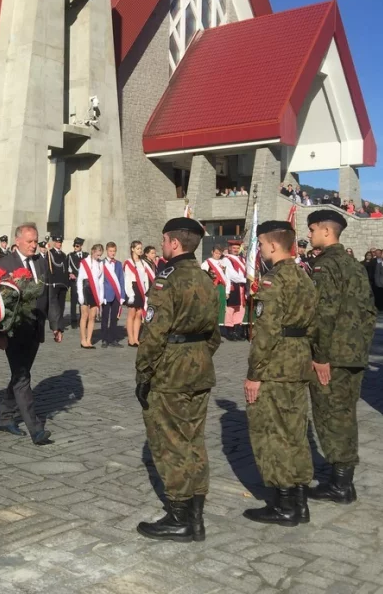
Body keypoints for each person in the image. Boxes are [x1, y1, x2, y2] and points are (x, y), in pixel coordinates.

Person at [135, 217, 220, 542]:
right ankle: (195, 516)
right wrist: (198, 356)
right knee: (194, 439)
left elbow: (154, 333)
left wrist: (144, 374)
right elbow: (215, 333)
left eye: (164, 239)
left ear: (173, 243)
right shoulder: (205, 278)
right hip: (200, 367)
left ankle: (179, 516)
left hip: (170, 371)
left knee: (170, 442)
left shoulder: (165, 280)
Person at [242, 220, 316, 526]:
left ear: (272, 245)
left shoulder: (273, 281)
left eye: (260, 244)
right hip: (299, 361)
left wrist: (253, 374)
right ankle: (299, 500)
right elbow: (314, 324)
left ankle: (284, 503)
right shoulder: (305, 277)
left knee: (273, 433)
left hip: (276, 365)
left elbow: (266, 332)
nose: (259, 249)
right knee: (296, 430)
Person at [306, 210, 377, 505]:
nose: (309, 236)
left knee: (331, 416)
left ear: (325, 231)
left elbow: (324, 314)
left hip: (332, 355)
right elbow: (370, 311)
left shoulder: (326, 265)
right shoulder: (353, 264)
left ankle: (340, 484)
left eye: (312, 230)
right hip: (353, 353)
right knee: (345, 414)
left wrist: (320, 356)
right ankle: (343, 479)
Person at [0, 223, 60, 446]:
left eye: (36, 241)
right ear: (17, 241)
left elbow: (49, 294)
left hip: (35, 328)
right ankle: (36, 429)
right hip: (13, 330)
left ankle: (4, 417)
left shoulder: (41, 261)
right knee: (22, 378)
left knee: (20, 373)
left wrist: (55, 324)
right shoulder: (4, 264)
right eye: (30, 241)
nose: (34, 245)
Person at [124, 240, 152, 347]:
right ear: (132, 249)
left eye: (141, 248)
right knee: (131, 313)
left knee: (139, 314)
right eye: (138, 248)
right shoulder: (128, 262)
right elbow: (127, 279)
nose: (140, 250)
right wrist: (130, 294)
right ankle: (130, 338)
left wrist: (146, 291)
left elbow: (145, 278)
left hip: (141, 289)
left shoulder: (143, 262)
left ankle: (136, 338)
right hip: (132, 288)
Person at [76, 244, 104, 349]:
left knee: (92, 316)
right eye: (97, 254)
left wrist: (101, 296)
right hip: (85, 288)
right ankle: (83, 340)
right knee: (84, 315)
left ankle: (89, 340)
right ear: (92, 251)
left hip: (95, 290)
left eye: (100, 255)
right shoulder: (84, 262)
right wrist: (80, 295)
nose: (98, 257)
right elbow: (79, 279)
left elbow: (101, 281)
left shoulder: (101, 264)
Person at [100, 242, 125, 348]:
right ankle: (104, 339)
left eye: (114, 251)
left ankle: (113, 338)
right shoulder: (102, 263)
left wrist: (122, 295)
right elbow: (100, 281)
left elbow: (121, 280)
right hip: (106, 295)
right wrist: (101, 296)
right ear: (107, 251)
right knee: (105, 318)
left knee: (114, 318)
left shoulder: (118, 264)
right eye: (110, 251)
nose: (112, 253)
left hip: (116, 295)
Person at [223, 240, 248, 341]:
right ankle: (230, 331)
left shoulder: (243, 259)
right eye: (234, 248)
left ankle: (238, 331)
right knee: (231, 309)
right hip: (233, 285)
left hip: (242, 286)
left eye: (237, 248)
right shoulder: (226, 259)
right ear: (229, 248)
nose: (236, 250)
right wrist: (245, 280)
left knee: (241, 308)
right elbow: (231, 275)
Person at [202, 244, 229, 334]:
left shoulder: (223, 263)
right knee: (212, 308)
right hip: (212, 287)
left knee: (221, 308)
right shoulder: (207, 263)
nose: (217, 255)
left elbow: (227, 277)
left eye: (219, 253)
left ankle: (219, 328)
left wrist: (227, 291)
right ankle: (210, 329)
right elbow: (203, 276)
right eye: (216, 253)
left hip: (221, 288)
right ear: (212, 252)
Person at [44, 235, 68, 333]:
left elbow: (65, 269)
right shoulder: (50, 253)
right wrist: (50, 281)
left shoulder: (63, 255)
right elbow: (48, 269)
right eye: (57, 242)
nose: (59, 244)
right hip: (54, 282)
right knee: (54, 305)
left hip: (62, 283)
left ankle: (60, 325)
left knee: (61, 304)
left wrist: (67, 283)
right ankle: (55, 324)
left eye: (60, 242)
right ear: (54, 242)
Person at [67, 237, 85, 327]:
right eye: (74, 246)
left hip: (83, 282)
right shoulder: (70, 256)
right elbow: (66, 267)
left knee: (83, 302)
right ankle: (73, 321)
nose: (75, 247)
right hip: (74, 282)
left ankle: (83, 319)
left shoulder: (86, 255)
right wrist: (70, 274)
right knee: (73, 302)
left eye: (77, 246)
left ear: (81, 246)